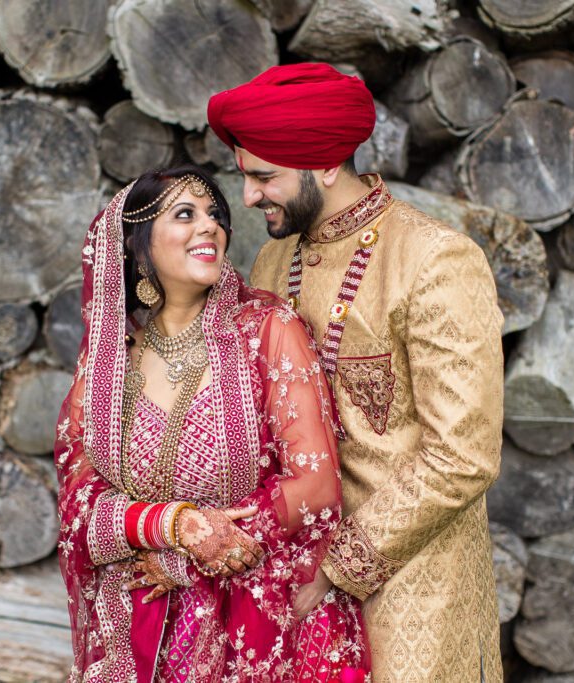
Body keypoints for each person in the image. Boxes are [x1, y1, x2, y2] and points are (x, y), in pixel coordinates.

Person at [208, 64, 504, 682]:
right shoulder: (272, 259)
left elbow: (463, 453)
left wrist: (337, 567)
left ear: (322, 164)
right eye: (247, 177)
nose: (250, 198)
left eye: (265, 177)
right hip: (289, 585)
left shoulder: (433, 260)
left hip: (412, 594)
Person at [54, 164, 369, 682]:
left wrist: (196, 555)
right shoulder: (111, 363)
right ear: (137, 247)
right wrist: (174, 526)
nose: (211, 227)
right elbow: (78, 500)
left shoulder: (266, 332)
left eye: (215, 215)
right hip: (137, 630)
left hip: (254, 628)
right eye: (185, 214)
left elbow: (314, 487)